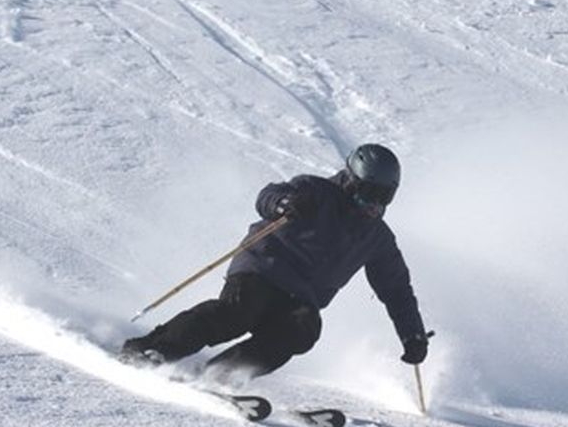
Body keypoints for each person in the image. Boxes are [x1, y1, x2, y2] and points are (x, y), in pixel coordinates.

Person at [121, 143, 430, 381]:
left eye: (384, 197)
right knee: (238, 313)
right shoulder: (315, 191)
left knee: (303, 330)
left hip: (302, 295)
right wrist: (284, 203)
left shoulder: (377, 238)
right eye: (368, 193)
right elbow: (268, 195)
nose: (374, 205)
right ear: (351, 181)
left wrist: (412, 334)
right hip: (263, 268)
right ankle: (152, 349)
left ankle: (222, 376)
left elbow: (397, 290)